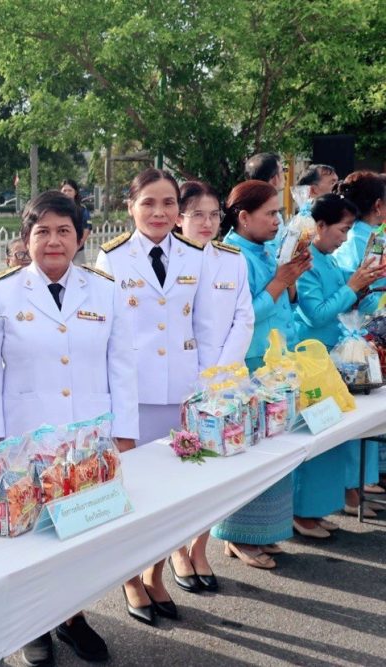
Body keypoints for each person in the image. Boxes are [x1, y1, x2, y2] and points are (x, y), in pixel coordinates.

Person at [0, 191, 137, 663]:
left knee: (82, 533)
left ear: (81, 238)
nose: (53, 241)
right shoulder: (1, 293)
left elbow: (122, 365)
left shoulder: (104, 290)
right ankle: (32, 624)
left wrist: (124, 433)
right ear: (26, 239)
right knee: (30, 534)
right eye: (42, 231)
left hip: (88, 442)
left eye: (64, 231)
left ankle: (73, 616)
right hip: (24, 442)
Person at [96, 168, 205, 625]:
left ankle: (154, 573)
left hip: (181, 393)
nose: (159, 212)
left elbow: (203, 325)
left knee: (170, 495)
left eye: (168, 203)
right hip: (132, 396)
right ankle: (129, 578)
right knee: (131, 491)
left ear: (179, 210)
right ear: (131, 207)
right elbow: (103, 336)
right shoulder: (112, 258)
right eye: (149, 203)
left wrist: (203, 392)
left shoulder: (196, 254)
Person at [210, 180, 311, 569]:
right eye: (269, 214)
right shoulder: (232, 255)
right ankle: (238, 535)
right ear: (243, 217)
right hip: (251, 363)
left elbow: (286, 302)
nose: (277, 221)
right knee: (249, 451)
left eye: (279, 213)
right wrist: (280, 282)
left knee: (275, 451)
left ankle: (264, 531)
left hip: (277, 361)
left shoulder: (267, 250)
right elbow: (243, 315)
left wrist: (292, 278)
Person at [169, 180, 254, 593]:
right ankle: (174, 549)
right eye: (197, 215)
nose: (207, 223)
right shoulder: (168, 261)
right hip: (175, 383)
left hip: (221, 383)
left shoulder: (232, 260)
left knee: (212, 472)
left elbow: (244, 317)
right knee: (175, 472)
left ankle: (198, 547)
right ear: (179, 218)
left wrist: (220, 373)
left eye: (214, 215)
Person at [292, 194, 384, 533]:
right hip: (312, 359)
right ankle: (303, 512)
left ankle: (320, 507)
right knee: (316, 439)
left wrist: (366, 282)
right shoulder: (306, 262)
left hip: (335, 357)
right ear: (320, 226)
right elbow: (315, 314)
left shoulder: (328, 259)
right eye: (342, 230)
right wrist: (352, 287)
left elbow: (349, 294)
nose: (345, 238)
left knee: (334, 436)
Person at [332, 171, 386, 502]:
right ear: (378, 205)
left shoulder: (364, 237)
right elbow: (357, 291)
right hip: (359, 331)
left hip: (364, 328)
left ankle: (359, 482)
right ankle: (354, 485)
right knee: (358, 410)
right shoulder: (363, 241)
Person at [60, 179, 92, 264]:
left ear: (75, 192)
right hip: (59, 252)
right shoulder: (56, 210)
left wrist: (76, 248)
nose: (67, 193)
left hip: (77, 252)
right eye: (64, 190)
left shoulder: (82, 210)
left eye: (70, 190)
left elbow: (87, 229)